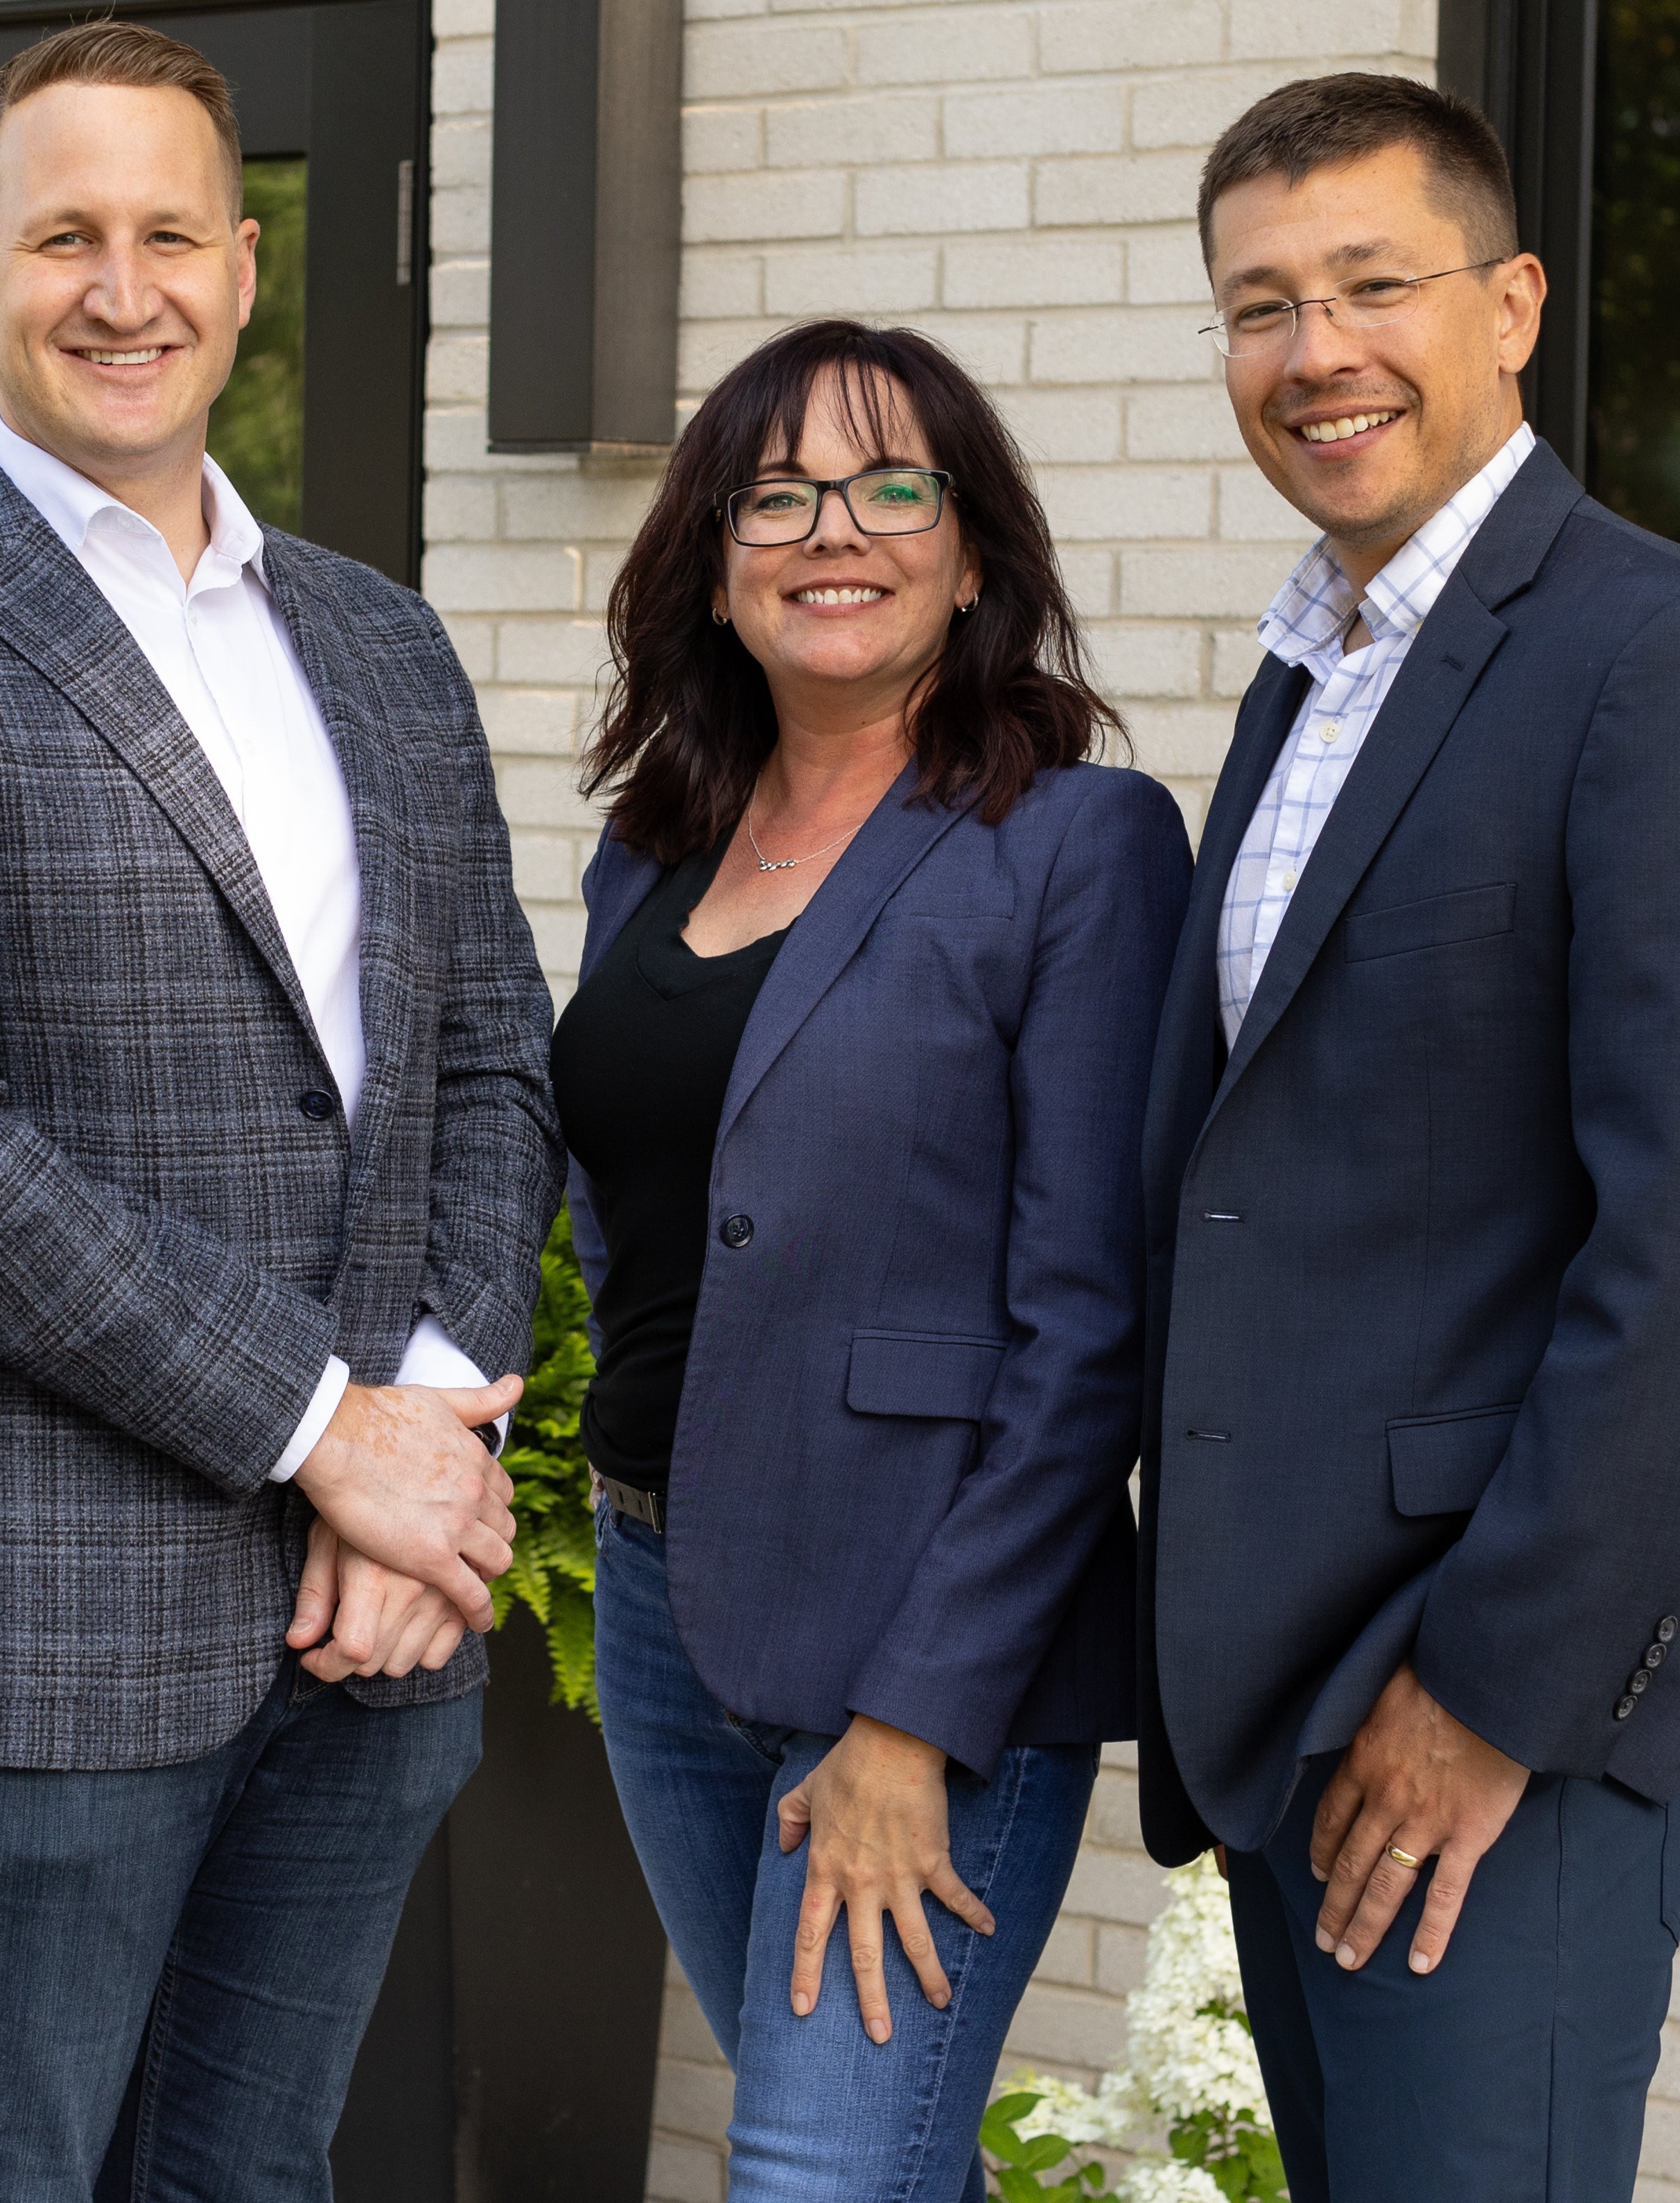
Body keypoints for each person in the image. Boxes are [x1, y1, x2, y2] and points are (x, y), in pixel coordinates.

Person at [0, 18, 563, 2203]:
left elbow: (486, 1059)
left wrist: (426, 1443)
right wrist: (324, 1429)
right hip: (26, 1642)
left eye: (168, 231)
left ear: (245, 270)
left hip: (368, 1628)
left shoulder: (380, 645)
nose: (120, 284)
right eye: (61, 235)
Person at [1133, 74, 1680, 2200]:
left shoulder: (1666, 663)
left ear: (1511, 305)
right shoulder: (1315, 672)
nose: (1315, 354)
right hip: (1296, 1687)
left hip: (1494, 1700)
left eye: (1374, 284)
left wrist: (1489, 1693)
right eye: (1258, 308)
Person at [562, 320, 1187, 2202]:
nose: (832, 529)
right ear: (715, 561)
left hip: (921, 1633)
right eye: (776, 494)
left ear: (973, 548)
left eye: (889, 484)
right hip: (663, 1594)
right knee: (866, 2157)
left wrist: (916, 1717)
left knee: (816, 2179)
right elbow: (634, 1194)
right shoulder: (651, 850)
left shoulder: (1076, 842)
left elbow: (1087, 1325)